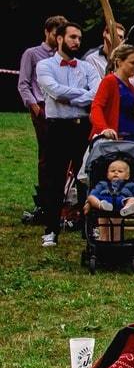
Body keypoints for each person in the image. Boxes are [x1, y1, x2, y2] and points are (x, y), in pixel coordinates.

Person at [35, 22, 96, 247]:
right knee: (55, 178)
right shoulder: (44, 65)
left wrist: (70, 97)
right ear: (59, 38)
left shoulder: (87, 67)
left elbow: (96, 94)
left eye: (79, 38)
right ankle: (51, 228)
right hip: (57, 127)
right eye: (72, 37)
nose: (76, 42)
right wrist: (82, 95)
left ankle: (86, 228)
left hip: (81, 127)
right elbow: (53, 90)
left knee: (85, 177)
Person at [19, 15, 65, 227]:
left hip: (62, 109)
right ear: (47, 32)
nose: (58, 39)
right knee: (47, 154)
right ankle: (45, 199)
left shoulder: (63, 55)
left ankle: (63, 197)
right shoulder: (32, 54)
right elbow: (24, 83)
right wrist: (35, 106)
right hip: (42, 108)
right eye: (56, 34)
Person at [89, 44, 134, 138]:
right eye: (133, 63)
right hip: (114, 141)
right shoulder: (109, 81)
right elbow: (96, 107)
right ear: (119, 62)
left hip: (132, 140)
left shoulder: (132, 87)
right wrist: (104, 129)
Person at [86, 157, 134, 236]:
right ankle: (100, 205)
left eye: (120, 171)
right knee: (90, 197)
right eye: (112, 171)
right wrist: (89, 203)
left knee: (133, 199)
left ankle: (127, 208)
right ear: (107, 174)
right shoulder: (102, 184)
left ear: (127, 176)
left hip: (121, 202)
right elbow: (94, 192)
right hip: (105, 201)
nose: (116, 173)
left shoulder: (131, 185)